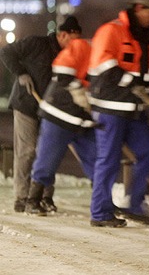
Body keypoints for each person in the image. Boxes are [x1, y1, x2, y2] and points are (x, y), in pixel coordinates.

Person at [87, 0, 149, 228]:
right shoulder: (111, 31)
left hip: (135, 110)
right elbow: (104, 64)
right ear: (138, 9)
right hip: (110, 108)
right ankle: (100, 212)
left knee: (148, 152)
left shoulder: (146, 39)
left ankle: (133, 204)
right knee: (108, 159)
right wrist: (132, 83)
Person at [0, 16, 82, 213]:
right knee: (27, 151)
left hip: (50, 111)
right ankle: (21, 197)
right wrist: (20, 73)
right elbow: (6, 52)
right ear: (63, 35)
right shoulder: (35, 43)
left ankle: (45, 197)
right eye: (74, 38)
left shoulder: (71, 55)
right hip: (26, 105)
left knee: (48, 152)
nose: (76, 43)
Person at [25, 38, 97, 215]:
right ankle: (33, 200)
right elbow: (62, 71)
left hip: (82, 120)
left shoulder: (113, 60)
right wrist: (78, 90)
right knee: (47, 159)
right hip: (59, 114)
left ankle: (104, 201)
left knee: (97, 160)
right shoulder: (82, 47)